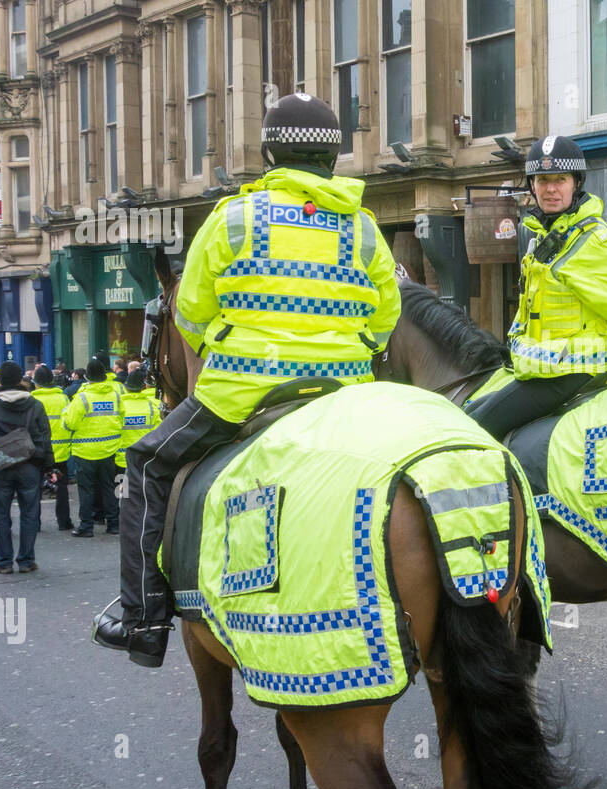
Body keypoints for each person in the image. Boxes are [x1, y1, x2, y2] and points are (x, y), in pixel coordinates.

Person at [94, 92, 401, 667]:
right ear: (332, 159)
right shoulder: (363, 229)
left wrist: (229, 346)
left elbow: (190, 313)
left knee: (146, 463)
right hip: (345, 395)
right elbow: (384, 320)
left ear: (268, 154)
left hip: (242, 393)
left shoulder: (232, 218)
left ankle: (142, 618)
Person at [464, 135, 607, 439]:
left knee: (472, 428)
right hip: (542, 370)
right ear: (532, 185)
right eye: (543, 180)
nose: (551, 188)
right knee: (469, 409)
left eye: (560, 179)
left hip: (575, 373)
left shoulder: (593, 240)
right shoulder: (541, 240)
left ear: (575, 183)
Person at [0, 362, 52, 574]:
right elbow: (45, 437)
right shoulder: (35, 405)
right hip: (30, 464)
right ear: (20, 380)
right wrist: (49, 466)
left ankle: (4, 561)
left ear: (0, 381)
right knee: (29, 512)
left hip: (2, 464)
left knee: (1, 513)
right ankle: (26, 560)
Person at [62, 358, 123, 538]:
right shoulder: (115, 395)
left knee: (87, 490)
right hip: (109, 449)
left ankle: (86, 526)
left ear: (88, 378)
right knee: (108, 487)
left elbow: (70, 423)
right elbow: (121, 418)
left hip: (85, 452)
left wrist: (65, 413)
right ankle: (113, 524)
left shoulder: (82, 398)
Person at [31, 364, 74, 531]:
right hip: (61, 451)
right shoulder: (63, 398)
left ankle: (35, 523)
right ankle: (64, 522)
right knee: (62, 488)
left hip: (38, 452)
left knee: (35, 489)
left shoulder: (33, 400)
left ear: (36, 383)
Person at [114, 368, 158, 477]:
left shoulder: (118, 406)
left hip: (121, 459)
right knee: (140, 491)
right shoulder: (152, 407)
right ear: (143, 387)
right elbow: (158, 434)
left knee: (123, 491)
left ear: (126, 387)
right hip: (143, 460)